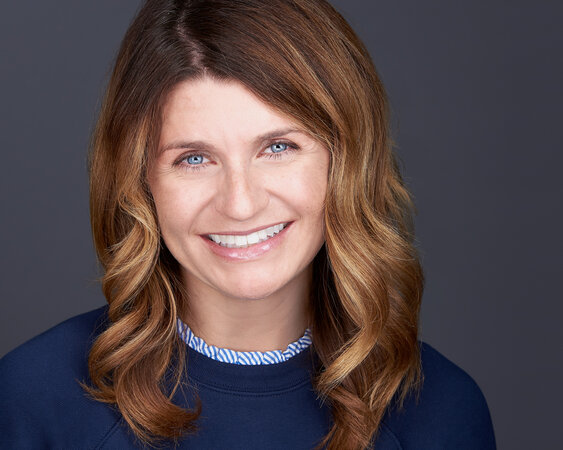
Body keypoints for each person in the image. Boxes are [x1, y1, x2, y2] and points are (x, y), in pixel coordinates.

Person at [0, 0, 495, 448]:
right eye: (194, 158)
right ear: (140, 180)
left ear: (346, 162)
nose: (240, 204)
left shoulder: (440, 411)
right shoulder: (34, 399)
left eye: (278, 147)